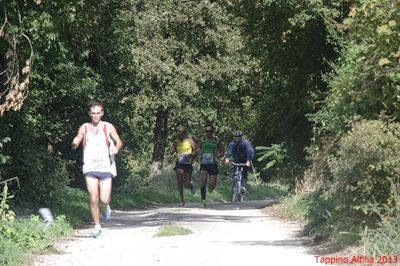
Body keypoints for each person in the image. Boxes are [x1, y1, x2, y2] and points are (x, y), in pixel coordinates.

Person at [71, 101, 123, 238]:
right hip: (90, 167)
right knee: (93, 198)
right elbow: (78, 138)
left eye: (98, 113)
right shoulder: (84, 127)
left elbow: (119, 141)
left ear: (102, 113)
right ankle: (97, 226)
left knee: (104, 199)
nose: (95, 116)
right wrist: (75, 143)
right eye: (93, 113)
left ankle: (106, 207)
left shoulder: (108, 127)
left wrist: (115, 148)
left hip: (105, 167)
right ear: (89, 114)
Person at [197, 124, 224, 208]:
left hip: (213, 164)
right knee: (203, 182)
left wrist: (219, 155)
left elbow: (222, 151)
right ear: (205, 132)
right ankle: (203, 201)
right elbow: (198, 150)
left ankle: (211, 188)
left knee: (212, 185)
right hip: (204, 164)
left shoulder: (217, 141)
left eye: (210, 131)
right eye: (206, 131)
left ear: (213, 132)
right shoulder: (202, 140)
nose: (208, 133)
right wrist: (197, 154)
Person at [170, 127, 196, 206]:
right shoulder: (176, 141)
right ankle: (182, 200)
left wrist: (191, 155)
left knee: (186, 185)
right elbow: (172, 151)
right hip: (179, 164)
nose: (181, 134)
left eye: (182, 132)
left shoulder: (189, 140)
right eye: (179, 132)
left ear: (185, 133)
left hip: (188, 164)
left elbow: (196, 150)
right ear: (177, 133)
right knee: (179, 182)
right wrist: (172, 150)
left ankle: (191, 185)